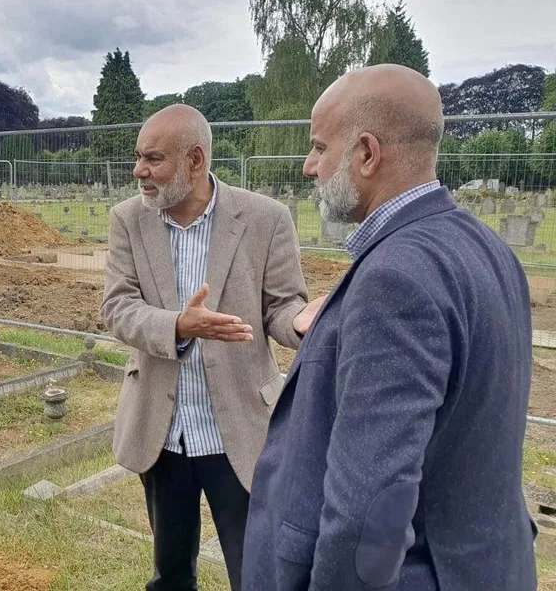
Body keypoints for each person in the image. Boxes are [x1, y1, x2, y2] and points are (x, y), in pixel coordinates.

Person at [242, 64, 537, 590]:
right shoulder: (486, 247)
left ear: (366, 153)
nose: (309, 167)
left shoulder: (396, 277)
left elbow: (370, 511)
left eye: (318, 147)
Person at [101, 103, 320, 590]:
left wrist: (301, 322)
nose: (139, 171)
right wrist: (179, 325)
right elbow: (118, 307)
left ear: (196, 160)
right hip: (162, 428)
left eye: (153, 159)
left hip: (240, 429)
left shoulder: (266, 218)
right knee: (171, 571)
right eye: (138, 157)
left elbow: (281, 309)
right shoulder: (129, 220)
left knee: (255, 571)